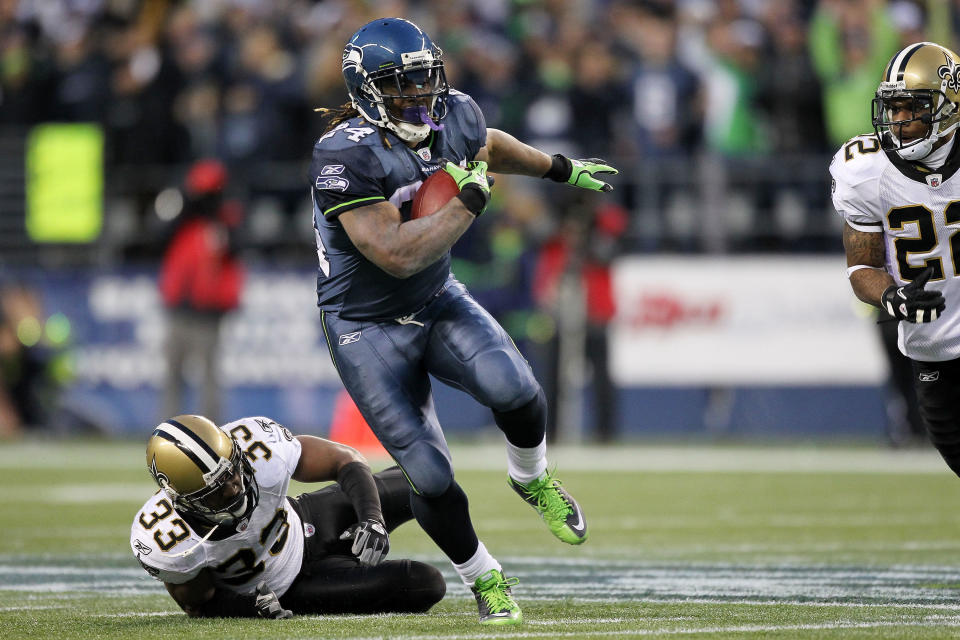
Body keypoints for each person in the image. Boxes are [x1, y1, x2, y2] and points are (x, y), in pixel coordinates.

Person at [310, 18, 617, 625]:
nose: (423, 95)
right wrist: (468, 204)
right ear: (367, 90)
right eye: (404, 85)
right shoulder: (341, 154)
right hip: (365, 325)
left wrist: (558, 167)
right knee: (428, 474)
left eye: (426, 78)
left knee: (518, 390)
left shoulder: (452, 113)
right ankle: (484, 576)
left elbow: (488, 143)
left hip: (435, 298)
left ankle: (531, 478)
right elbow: (395, 253)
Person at [130, 414, 445, 618]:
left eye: (233, 469)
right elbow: (199, 604)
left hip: (306, 519)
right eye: (217, 488)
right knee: (424, 584)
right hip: (290, 588)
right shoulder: (168, 538)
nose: (235, 485)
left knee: (426, 481)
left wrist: (371, 517)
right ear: (186, 500)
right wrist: (252, 607)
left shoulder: (258, 447)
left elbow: (344, 461)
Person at [831, 41, 959, 478]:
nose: (900, 122)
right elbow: (861, 267)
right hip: (934, 350)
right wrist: (893, 297)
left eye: (912, 108)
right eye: (894, 108)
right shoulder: (865, 171)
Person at [159, 159, 245, 423]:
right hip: (180, 308)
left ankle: (211, 432)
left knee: (208, 375)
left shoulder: (225, 221)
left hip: (209, 312)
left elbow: (235, 247)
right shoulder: (183, 221)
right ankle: (168, 428)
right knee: (174, 373)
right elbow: (159, 236)